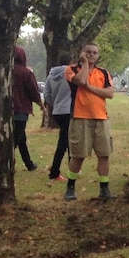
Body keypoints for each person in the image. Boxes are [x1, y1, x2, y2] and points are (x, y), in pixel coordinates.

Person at [64, 41, 115, 200]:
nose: (91, 55)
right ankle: (70, 187)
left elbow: (110, 93)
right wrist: (84, 64)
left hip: (101, 117)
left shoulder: (103, 73)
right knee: (78, 155)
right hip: (80, 117)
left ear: (98, 55)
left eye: (94, 53)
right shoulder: (71, 69)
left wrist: (90, 89)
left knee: (104, 154)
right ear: (82, 53)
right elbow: (80, 81)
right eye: (88, 52)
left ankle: (104, 188)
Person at [12, 46, 45, 171]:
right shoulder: (26, 73)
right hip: (20, 110)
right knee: (16, 139)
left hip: (5, 111)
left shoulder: (4, 70)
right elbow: (34, 92)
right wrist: (42, 106)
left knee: (21, 138)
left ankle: (29, 163)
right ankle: (4, 163)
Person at [43, 53, 73, 181]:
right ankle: (56, 172)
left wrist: (54, 103)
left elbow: (47, 94)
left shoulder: (51, 75)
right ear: (70, 61)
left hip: (57, 111)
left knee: (67, 139)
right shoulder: (70, 73)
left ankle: (71, 168)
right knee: (65, 142)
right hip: (69, 110)